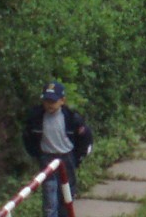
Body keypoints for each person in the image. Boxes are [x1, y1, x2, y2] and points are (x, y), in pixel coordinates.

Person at [23, 81, 93, 217]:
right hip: (47, 158)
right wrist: (36, 154)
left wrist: (78, 158)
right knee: (49, 196)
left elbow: (85, 138)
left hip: (67, 158)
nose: (49, 105)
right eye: (46, 101)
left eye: (53, 101)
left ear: (62, 101)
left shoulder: (73, 118)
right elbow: (28, 137)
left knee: (66, 195)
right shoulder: (36, 117)